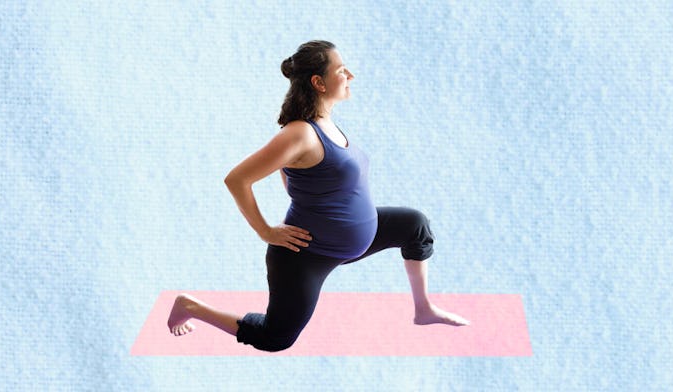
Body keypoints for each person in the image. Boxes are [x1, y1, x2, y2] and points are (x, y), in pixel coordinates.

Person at [167, 40, 469, 352]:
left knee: (415, 226)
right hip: (306, 256)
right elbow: (237, 179)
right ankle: (191, 307)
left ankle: (423, 309)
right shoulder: (300, 133)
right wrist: (266, 231)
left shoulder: (324, 124)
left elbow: (291, 173)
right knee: (276, 338)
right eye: (341, 70)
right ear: (318, 82)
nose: (350, 74)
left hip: (351, 240)